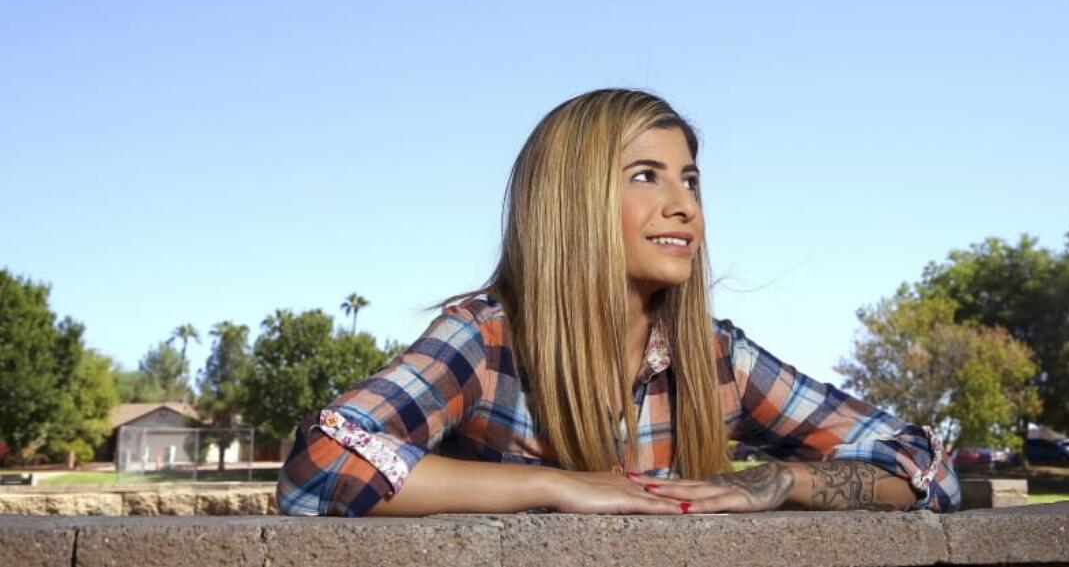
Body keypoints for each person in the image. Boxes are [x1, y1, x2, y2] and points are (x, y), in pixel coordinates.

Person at [277, 89, 961, 516]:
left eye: (690, 180)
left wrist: (781, 480)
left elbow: (924, 465)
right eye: (646, 175)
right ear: (572, 201)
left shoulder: (715, 358)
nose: (683, 204)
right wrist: (557, 485)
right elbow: (321, 463)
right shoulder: (485, 341)